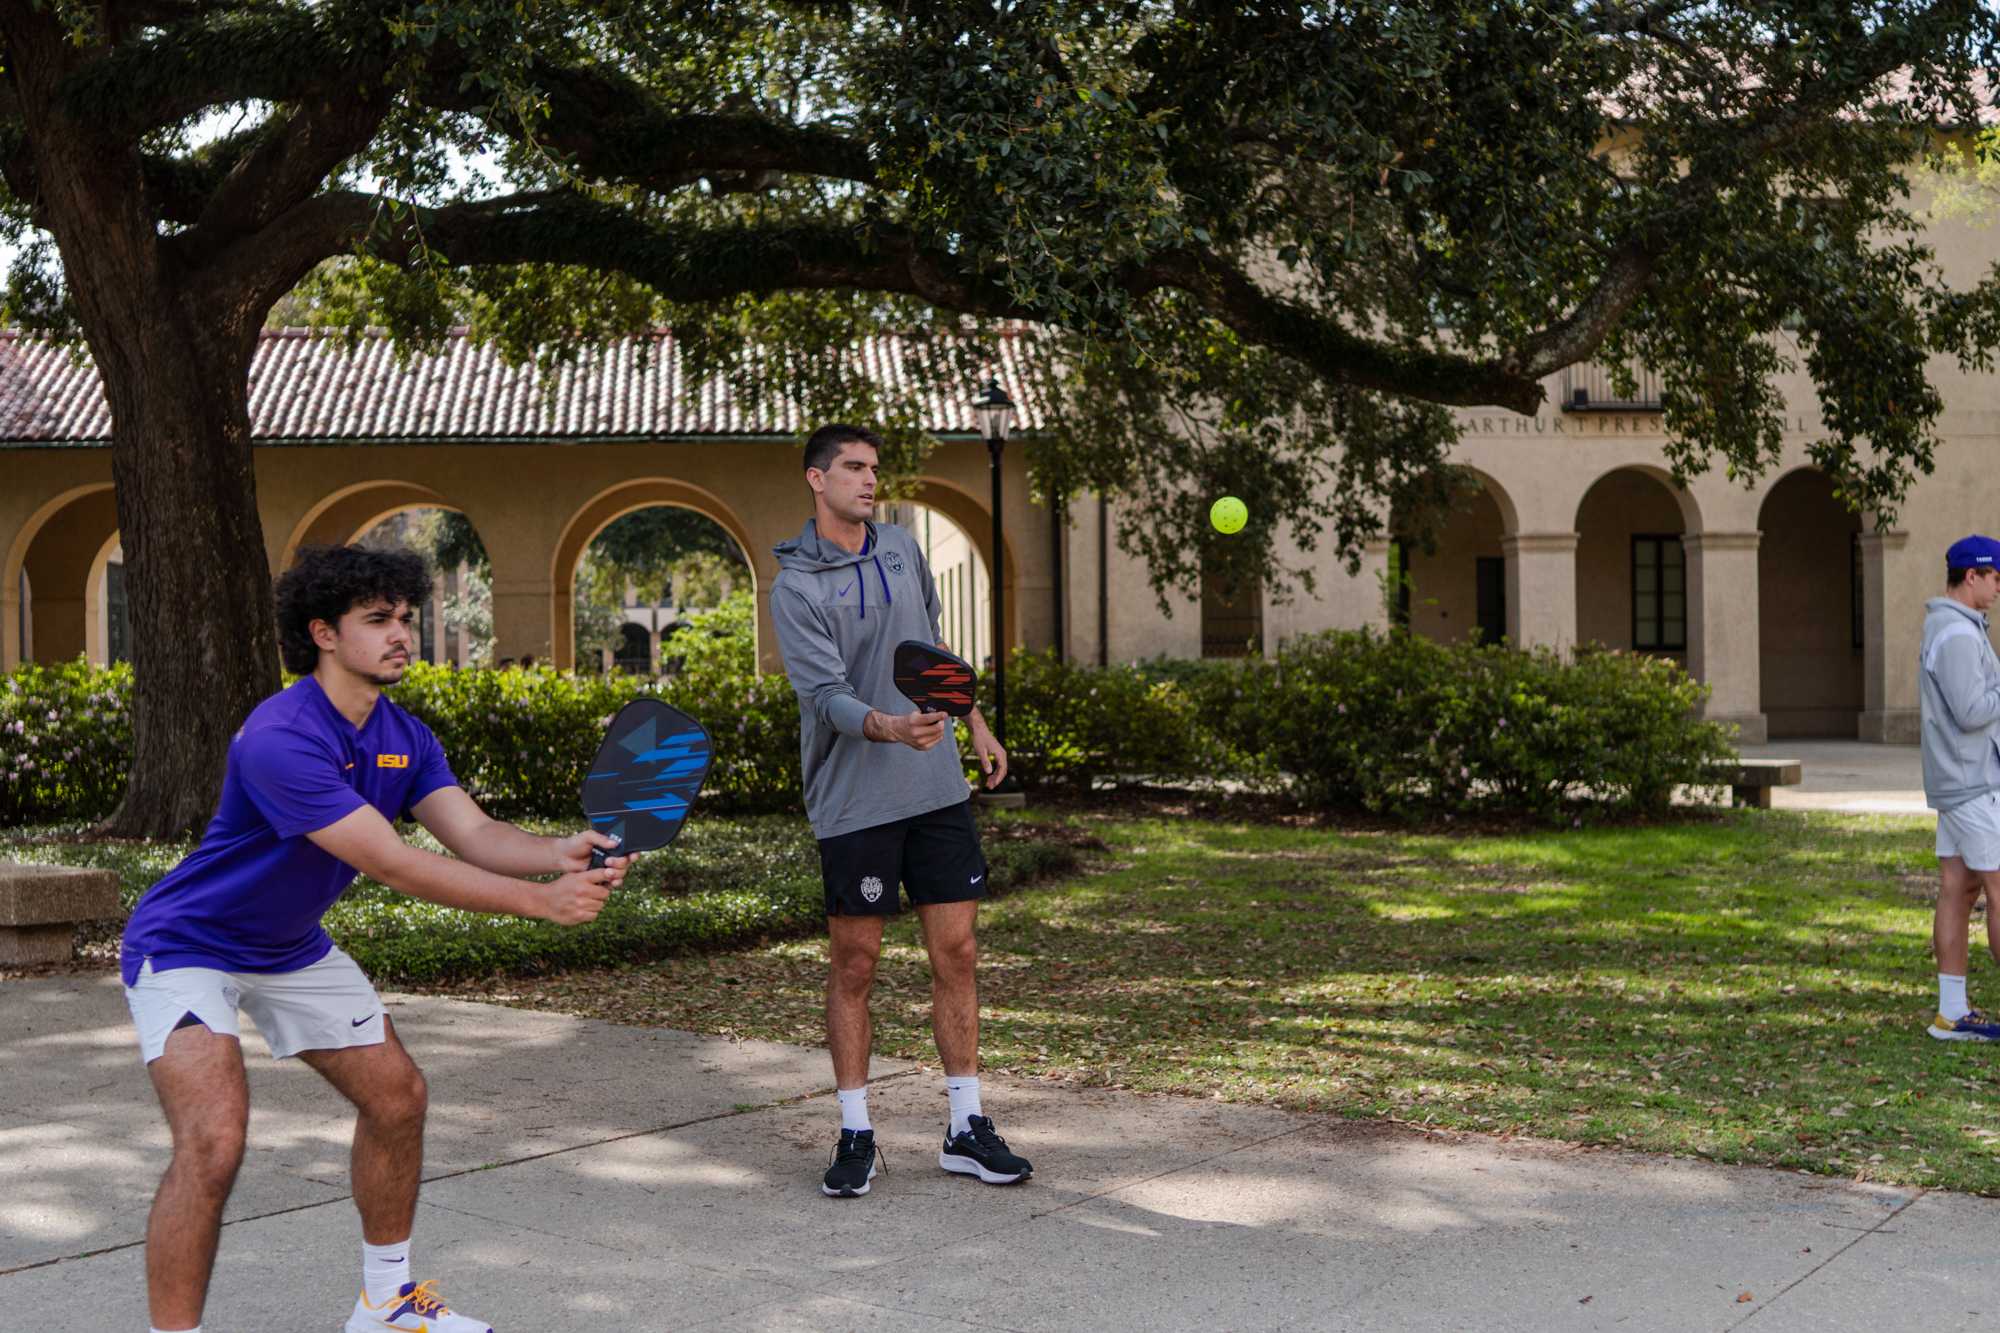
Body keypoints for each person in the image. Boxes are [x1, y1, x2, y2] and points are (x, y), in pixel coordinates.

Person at [120, 545, 634, 1333]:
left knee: (398, 1098)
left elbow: (474, 832)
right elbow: (393, 863)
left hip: (288, 944)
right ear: (323, 633)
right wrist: (543, 905)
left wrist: (556, 852)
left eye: (406, 617)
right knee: (213, 1139)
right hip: (189, 945)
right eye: (378, 620)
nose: (403, 634)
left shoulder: (404, 735)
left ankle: (387, 1304)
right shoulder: (280, 735)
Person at [769, 423, 1032, 1198]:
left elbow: (934, 649)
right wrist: (887, 725)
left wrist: (973, 718)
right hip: (855, 801)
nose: (868, 480)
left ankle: (965, 1126)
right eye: (853, 468)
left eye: (874, 468)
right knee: (856, 963)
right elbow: (824, 697)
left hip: (936, 791)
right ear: (817, 480)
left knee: (959, 953)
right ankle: (856, 1129)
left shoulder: (901, 549)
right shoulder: (796, 587)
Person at [1919, 534, 2000, 1042]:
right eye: (1995, 578)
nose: (1998, 588)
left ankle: (1952, 1014)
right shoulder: (1957, 635)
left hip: (1960, 781)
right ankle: (1951, 1013)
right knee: (1997, 887)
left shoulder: (1955, 628)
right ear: (1972, 575)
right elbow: (1971, 711)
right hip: (1972, 783)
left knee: (1960, 887)